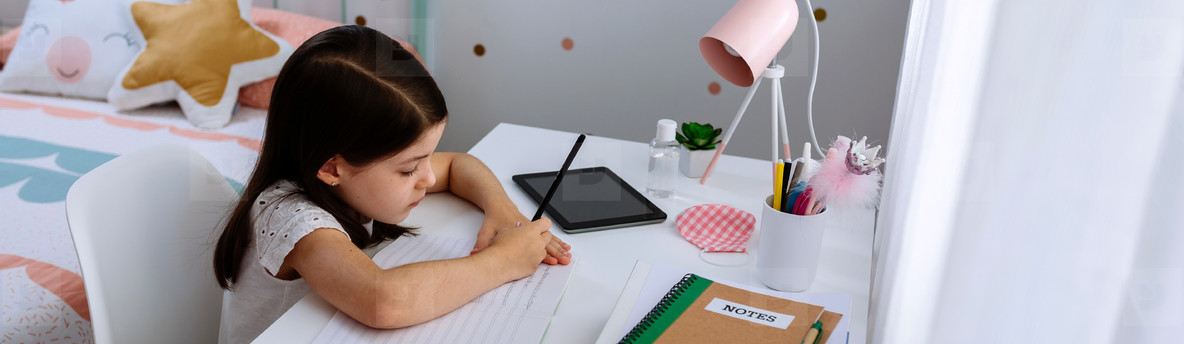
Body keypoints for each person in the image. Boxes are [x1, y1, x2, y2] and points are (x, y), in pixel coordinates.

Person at [212, 25, 572, 343]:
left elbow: (460, 164)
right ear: (332, 168)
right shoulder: (290, 217)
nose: (428, 178)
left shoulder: (348, 178)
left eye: (426, 159)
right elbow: (382, 300)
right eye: (408, 170)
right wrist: (502, 261)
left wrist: (502, 210)